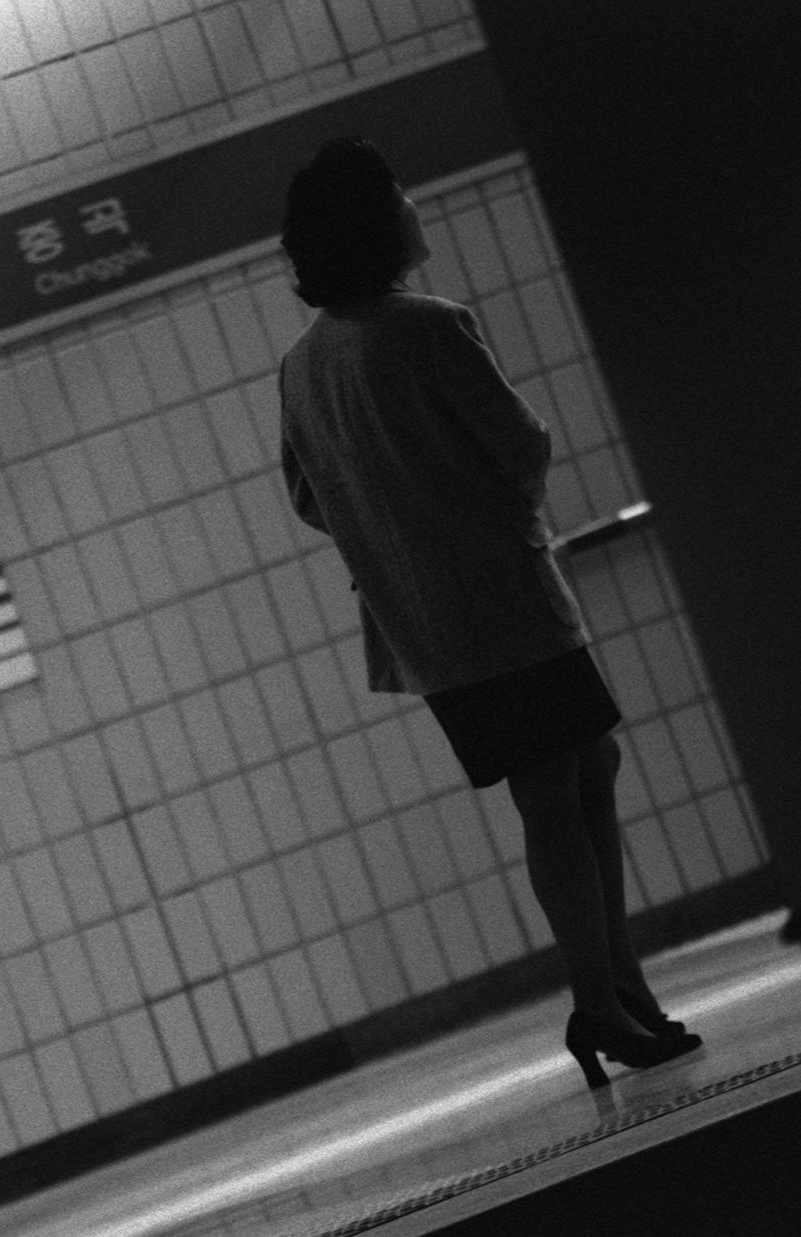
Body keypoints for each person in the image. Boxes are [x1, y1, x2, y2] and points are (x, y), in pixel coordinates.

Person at [275, 138, 701, 1088]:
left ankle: (619, 985)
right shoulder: (428, 327)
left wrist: (388, 524)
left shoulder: (303, 366)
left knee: (582, 770)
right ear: (375, 225)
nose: (413, 206)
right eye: (399, 195)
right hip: (502, 602)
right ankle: (600, 1002)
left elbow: (307, 498)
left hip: (426, 626)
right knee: (563, 789)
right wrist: (475, 511)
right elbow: (520, 445)